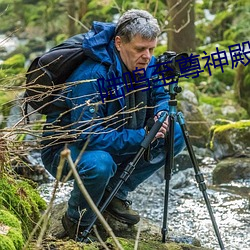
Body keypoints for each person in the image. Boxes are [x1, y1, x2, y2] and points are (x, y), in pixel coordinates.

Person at [41, 9, 185, 241]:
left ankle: (115, 193)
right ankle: (76, 221)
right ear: (119, 43)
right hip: (67, 150)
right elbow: (87, 135)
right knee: (100, 164)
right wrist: (142, 135)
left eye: (152, 49)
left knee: (175, 132)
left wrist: (162, 113)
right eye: (140, 49)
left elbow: (160, 94)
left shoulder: (146, 62)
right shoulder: (91, 75)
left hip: (117, 135)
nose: (147, 56)